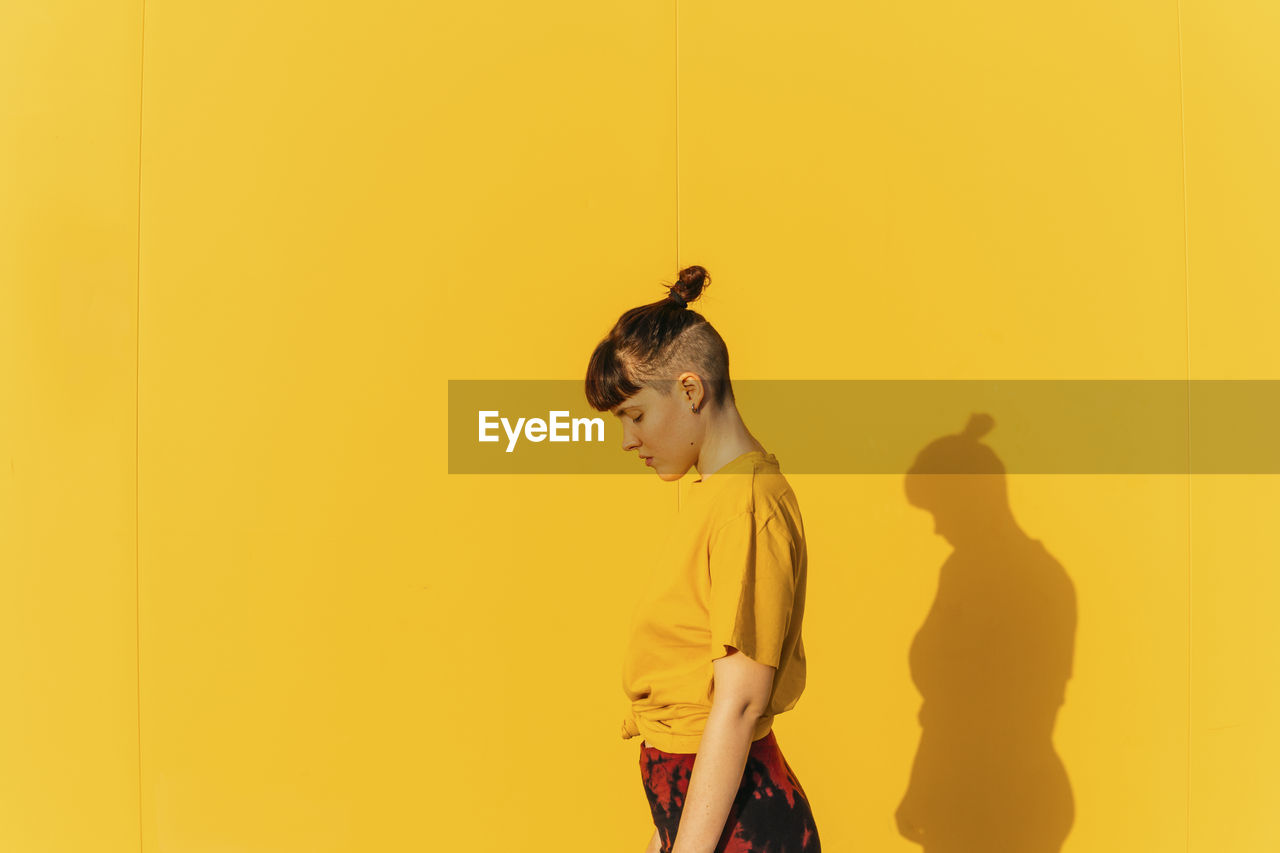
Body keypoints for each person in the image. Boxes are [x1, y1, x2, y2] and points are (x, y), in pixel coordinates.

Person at [584, 265, 821, 853]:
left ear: (691, 391)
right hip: (703, 808)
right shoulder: (718, 495)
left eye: (635, 415)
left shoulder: (744, 505)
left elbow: (739, 702)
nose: (627, 441)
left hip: (740, 820)